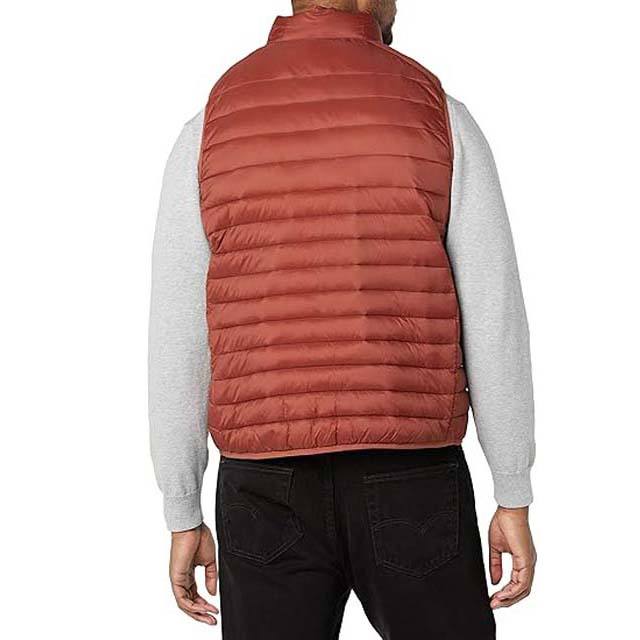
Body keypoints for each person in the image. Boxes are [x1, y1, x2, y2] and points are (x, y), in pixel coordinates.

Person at [149, 1, 536, 637]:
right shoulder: (436, 111)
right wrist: (513, 491)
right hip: (412, 474)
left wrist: (182, 508)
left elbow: (178, 333)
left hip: (264, 487)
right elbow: (493, 315)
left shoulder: (212, 122)